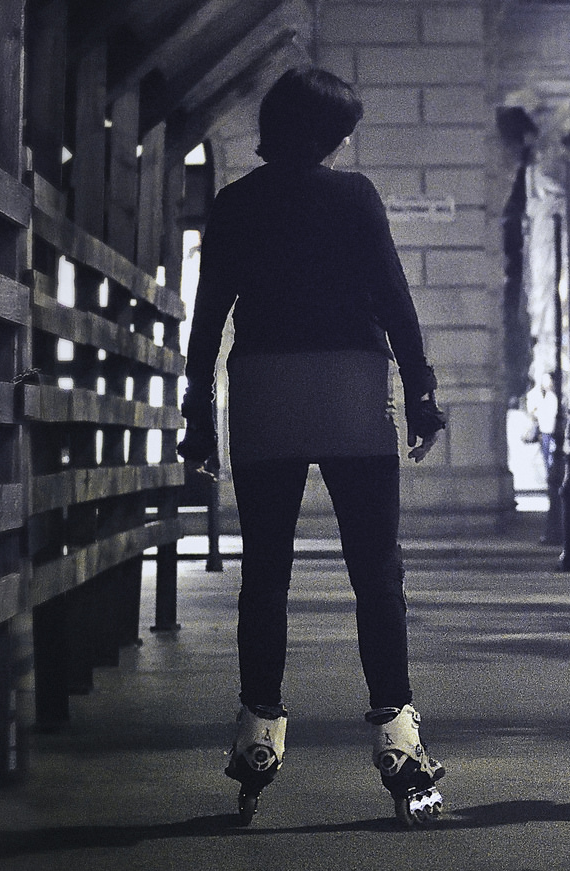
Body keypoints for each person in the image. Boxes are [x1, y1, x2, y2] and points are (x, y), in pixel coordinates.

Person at [178, 68, 447, 827]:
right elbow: (395, 296)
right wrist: (422, 395)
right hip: (349, 384)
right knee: (375, 569)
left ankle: (258, 734)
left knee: (265, 571)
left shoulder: (234, 204)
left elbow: (208, 320)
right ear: (328, 132)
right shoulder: (354, 196)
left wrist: (197, 413)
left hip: (263, 387)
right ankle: (398, 741)